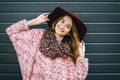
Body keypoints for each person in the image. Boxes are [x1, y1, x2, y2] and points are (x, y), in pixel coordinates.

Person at [6, 7, 88, 80]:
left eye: (68, 26)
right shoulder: (38, 36)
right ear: (57, 21)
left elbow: (78, 77)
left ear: (69, 33)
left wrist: (81, 56)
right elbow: (12, 32)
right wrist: (33, 22)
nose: (62, 26)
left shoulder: (67, 54)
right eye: (62, 21)